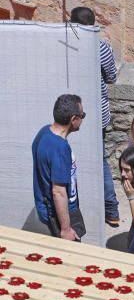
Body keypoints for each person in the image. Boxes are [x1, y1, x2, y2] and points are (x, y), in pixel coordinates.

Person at [70, 6, 120, 227]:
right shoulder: (102, 48)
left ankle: (80, 207)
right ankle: (111, 210)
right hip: (96, 113)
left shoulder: (65, 45)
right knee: (100, 161)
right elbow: (111, 77)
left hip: (69, 112)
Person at [32, 94, 86, 240]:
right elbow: (59, 192)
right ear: (73, 119)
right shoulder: (59, 148)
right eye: (83, 116)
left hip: (48, 209)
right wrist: (66, 229)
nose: (83, 120)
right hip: (60, 213)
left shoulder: (44, 132)